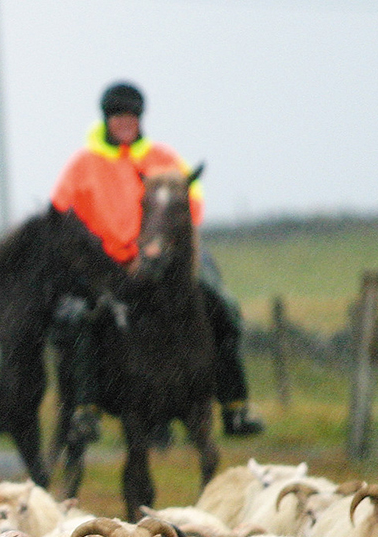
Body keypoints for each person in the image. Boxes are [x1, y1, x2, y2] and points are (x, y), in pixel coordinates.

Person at [51, 80, 263, 437]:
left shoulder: (163, 158)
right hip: (108, 264)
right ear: (106, 120)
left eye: (131, 116)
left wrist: (169, 242)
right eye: (118, 116)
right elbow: (61, 213)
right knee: (77, 319)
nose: (125, 123)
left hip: (166, 261)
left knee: (222, 308)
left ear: (140, 120)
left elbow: (192, 199)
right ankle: (85, 409)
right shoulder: (83, 165)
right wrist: (93, 252)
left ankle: (235, 406)